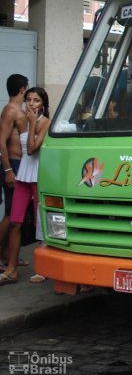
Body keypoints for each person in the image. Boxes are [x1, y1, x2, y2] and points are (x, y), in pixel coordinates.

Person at [0, 87, 51, 285]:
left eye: (36, 100)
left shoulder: (45, 122)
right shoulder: (23, 119)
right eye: (28, 99)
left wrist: (31, 124)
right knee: (15, 221)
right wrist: (8, 169)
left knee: (41, 224)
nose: (31, 103)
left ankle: (43, 268)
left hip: (38, 177)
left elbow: (30, 149)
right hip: (23, 176)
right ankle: (11, 269)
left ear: (43, 104)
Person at [0, 74, 29, 272]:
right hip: (13, 165)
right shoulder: (11, 111)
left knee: (17, 216)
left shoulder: (20, 111)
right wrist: (8, 169)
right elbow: (1, 141)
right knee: (11, 215)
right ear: (22, 89)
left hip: (21, 165)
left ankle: (8, 255)